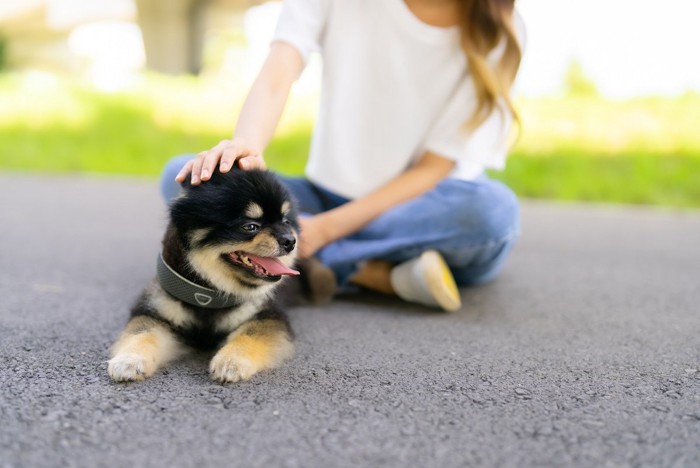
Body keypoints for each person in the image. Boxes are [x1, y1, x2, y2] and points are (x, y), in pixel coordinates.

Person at [161, 0, 525, 311]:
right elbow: (280, 69)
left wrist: (320, 231)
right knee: (184, 174)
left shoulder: (499, 30)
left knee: (493, 213)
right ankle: (378, 272)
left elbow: (432, 170)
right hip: (322, 198)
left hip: (417, 212)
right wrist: (246, 144)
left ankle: (326, 263)